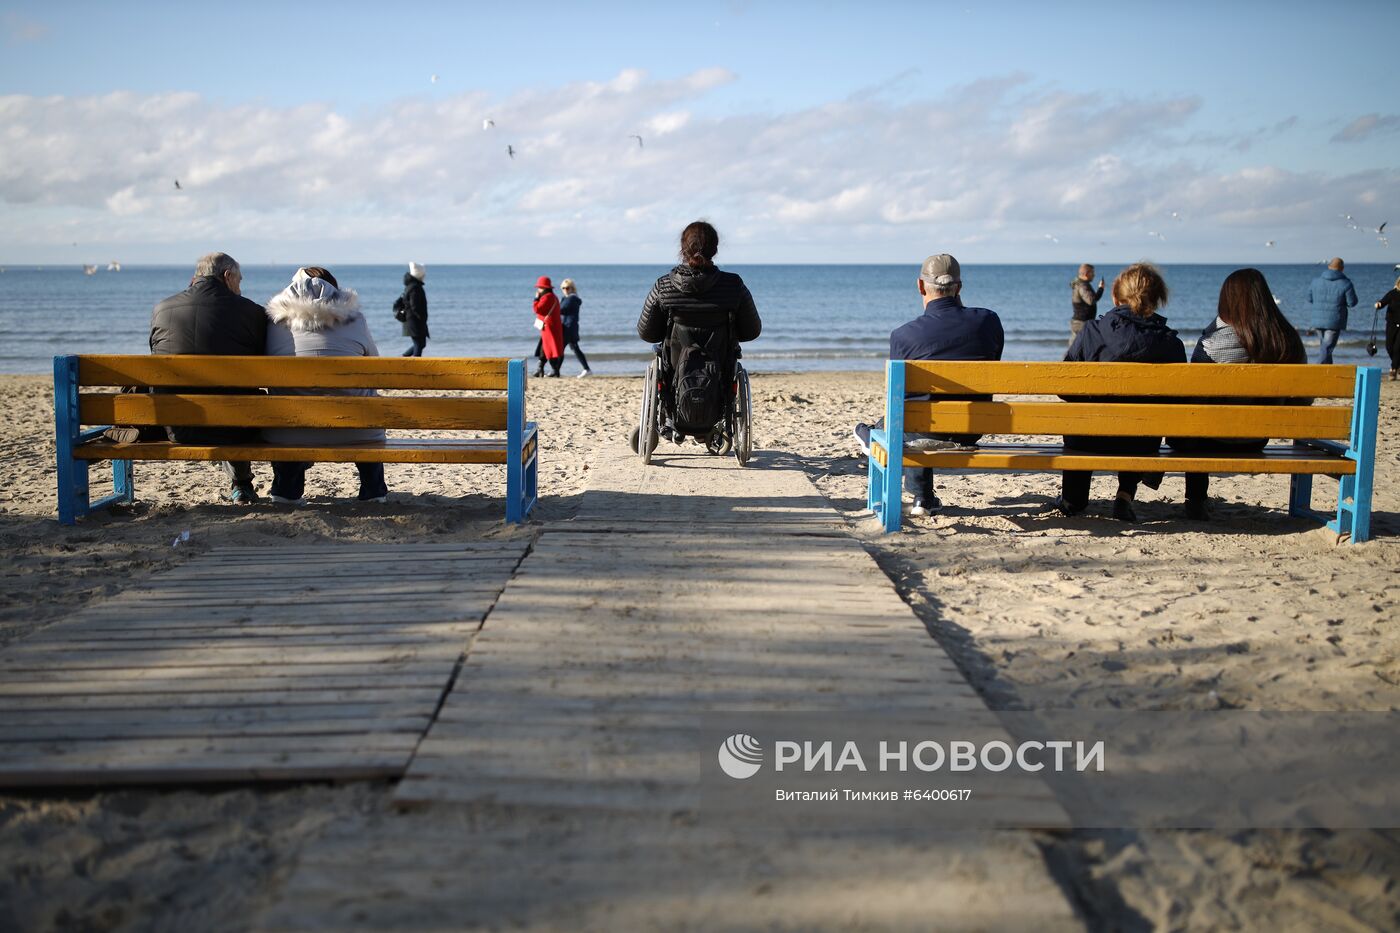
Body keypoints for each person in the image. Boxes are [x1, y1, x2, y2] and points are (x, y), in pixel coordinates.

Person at [852, 254, 1004, 516]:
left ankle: (919, 494)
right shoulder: (988, 321)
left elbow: (904, 395)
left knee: (906, 420)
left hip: (923, 429)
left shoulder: (903, 335)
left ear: (921, 286)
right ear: (960, 286)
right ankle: (921, 496)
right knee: (916, 416)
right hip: (973, 428)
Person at [1166, 268, 1306, 520]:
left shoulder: (1213, 343)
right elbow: (1303, 400)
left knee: (1197, 425)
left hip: (1208, 441)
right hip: (1256, 439)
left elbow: (1193, 399)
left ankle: (1195, 499)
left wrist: (1214, 326)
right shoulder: (1286, 340)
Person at [1053, 262, 1185, 523]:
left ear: (1115, 296)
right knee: (1143, 420)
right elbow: (1177, 401)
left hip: (1087, 439)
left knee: (1081, 419)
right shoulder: (1171, 344)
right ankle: (1125, 496)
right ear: (1158, 299)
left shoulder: (1090, 332)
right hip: (1141, 442)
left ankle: (1073, 499)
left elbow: (1064, 389)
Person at [262, 267, 389, 504]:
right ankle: (373, 490)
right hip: (355, 430)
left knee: (287, 398)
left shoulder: (274, 322)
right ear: (335, 289)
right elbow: (375, 368)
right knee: (368, 397)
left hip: (290, 431)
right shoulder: (356, 319)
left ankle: (286, 490)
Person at [149, 251, 267, 503]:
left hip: (177, 426)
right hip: (236, 427)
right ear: (227, 276)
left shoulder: (162, 309)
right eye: (239, 280)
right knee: (237, 399)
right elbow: (264, 365)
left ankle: (240, 482)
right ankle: (243, 483)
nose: (240, 287)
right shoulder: (251, 312)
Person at [1307, 257, 1357, 364]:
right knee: (1327, 349)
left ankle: (1327, 372)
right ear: (1342, 269)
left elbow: (1309, 298)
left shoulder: (1315, 281)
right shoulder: (1346, 283)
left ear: (1329, 267)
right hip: (1334, 320)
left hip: (1317, 320)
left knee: (1325, 348)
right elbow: (1352, 302)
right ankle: (1316, 370)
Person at [558, 278, 591, 376]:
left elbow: (561, 310)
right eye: (563, 288)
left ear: (572, 288)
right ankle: (586, 369)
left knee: (563, 348)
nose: (565, 290)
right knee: (573, 348)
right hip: (567, 326)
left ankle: (556, 371)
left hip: (570, 327)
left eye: (567, 288)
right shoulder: (566, 298)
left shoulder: (572, 298)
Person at [533, 276, 564, 377]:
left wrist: (536, 298)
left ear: (544, 288)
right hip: (552, 325)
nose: (538, 289)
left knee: (549, 348)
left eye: (540, 287)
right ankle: (541, 369)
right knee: (546, 347)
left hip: (548, 326)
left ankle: (554, 370)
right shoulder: (553, 297)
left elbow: (537, 309)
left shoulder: (546, 297)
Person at [1070, 263, 1105, 346]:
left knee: (1077, 348)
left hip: (1081, 322)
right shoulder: (1082, 285)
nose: (1094, 275)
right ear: (1086, 274)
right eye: (1092, 273)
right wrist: (1101, 289)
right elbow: (1091, 300)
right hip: (1080, 323)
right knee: (1076, 348)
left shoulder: (1081, 284)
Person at [400, 262, 428, 357]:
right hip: (414, 321)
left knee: (421, 344)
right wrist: (421, 318)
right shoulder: (415, 288)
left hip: (413, 320)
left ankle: (403, 358)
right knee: (419, 344)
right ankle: (415, 365)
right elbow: (415, 306)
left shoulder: (412, 286)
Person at [1375, 276, 1400, 381]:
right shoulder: (1392, 293)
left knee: (1398, 348)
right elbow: (1383, 302)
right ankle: (1398, 365)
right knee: (1389, 346)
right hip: (1391, 324)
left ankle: (1393, 369)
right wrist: (1378, 304)